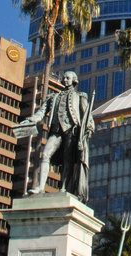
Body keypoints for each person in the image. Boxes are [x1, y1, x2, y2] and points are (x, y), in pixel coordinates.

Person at [21, 70, 94, 201]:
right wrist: (33, 119)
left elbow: (87, 115)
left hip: (71, 131)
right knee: (45, 155)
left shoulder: (80, 96)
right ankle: (40, 187)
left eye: (68, 78)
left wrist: (89, 128)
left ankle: (64, 188)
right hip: (56, 131)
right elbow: (41, 112)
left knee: (68, 161)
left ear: (74, 80)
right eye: (64, 78)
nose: (65, 80)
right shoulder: (53, 97)